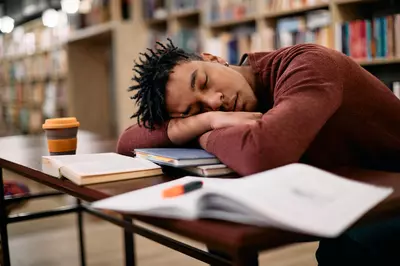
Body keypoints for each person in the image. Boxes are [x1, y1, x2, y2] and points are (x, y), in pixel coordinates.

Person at [117, 39, 400, 265]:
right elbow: (128, 142)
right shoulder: (218, 112)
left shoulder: (309, 64)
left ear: (213, 58)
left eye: (203, 82)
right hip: (351, 197)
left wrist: (200, 132)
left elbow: (262, 154)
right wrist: (205, 121)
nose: (215, 103)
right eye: (195, 109)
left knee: (347, 252)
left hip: (387, 201)